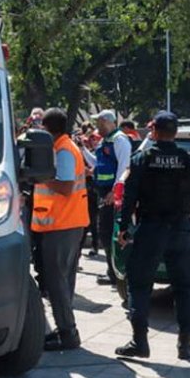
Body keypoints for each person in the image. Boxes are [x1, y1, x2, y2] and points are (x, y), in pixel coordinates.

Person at [115, 111, 190, 360]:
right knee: (183, 287)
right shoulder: (189, 159)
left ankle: (140, 342)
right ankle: (185, 346)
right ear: (175, 132)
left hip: (150, 230)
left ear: (153, 131)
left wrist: (123, 228)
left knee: (139, 284)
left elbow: (129, 197)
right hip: (181, 230)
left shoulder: (142, 158)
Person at [31, 108, 90, 351]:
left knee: (57, 283)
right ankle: (66, 329)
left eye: (41, 128)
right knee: (62, 282)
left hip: (62, 224)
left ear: (48, 129)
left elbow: (65, 187)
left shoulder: (64, 150)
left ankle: (67, 333)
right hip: (64, 223)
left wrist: (38, 178)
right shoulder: (63, 147)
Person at [81, 110, 132, 286]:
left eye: (99, 123)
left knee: (109, 233)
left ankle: (115, 273)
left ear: (107, 122)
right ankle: (112, 272)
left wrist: (115, 192)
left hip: (113, 197)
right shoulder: (105, 141)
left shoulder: (119, 140)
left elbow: (124, 167)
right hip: (104, 194)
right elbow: (97, 163)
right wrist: (82, 150)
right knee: (105, 233)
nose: (97, 126)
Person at [77, 122, 100, 257]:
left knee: (92, 218)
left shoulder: (95, 152)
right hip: (83, 188)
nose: (89, 142)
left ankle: (95, 246)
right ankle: (79, 251)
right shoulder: (80, 153)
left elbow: (97, 166)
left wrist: (90, 172)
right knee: (84, 221)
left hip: (93, 188)